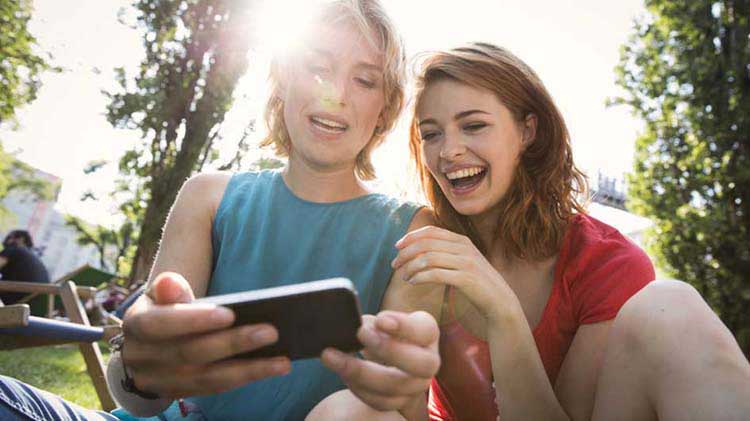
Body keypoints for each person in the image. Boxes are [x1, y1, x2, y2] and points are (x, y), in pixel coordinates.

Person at [0, 1, 440, 420]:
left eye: (365, 80)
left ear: (386, 107)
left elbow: (401, 407)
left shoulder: (412, 232)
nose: (337, 95)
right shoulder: (208, 196)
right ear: (284, 78)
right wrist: (139, 362)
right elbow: (139, 397)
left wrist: (404, 389)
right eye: (319, 68)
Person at [311, 42, 750, 420]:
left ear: (527, 131)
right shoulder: (425, 250)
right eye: (431, 134)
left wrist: (501, 310)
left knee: (671, 303)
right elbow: (402, 410)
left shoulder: (606, 263)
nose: (449, 150)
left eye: (474, 125)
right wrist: (398, 379)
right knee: (345, 410)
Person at [0, 230, 50, 305]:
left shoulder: (14, 249)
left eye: (9, 237)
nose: (5, 240)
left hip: (18, 298)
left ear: (21, 239)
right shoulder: (32, 257)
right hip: (36, 303)